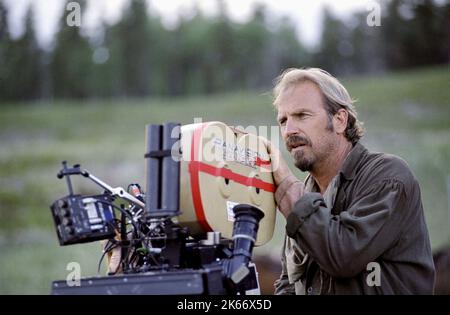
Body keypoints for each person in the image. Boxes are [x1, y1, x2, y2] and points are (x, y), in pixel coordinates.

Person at [265, 67, 435, 295]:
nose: (289, 130)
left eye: (302, 116)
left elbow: (343, 256)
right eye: (283, 120)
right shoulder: (304, 195)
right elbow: (289, 284)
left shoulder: (388, 177)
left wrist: (289, 190)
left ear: (340, 120)